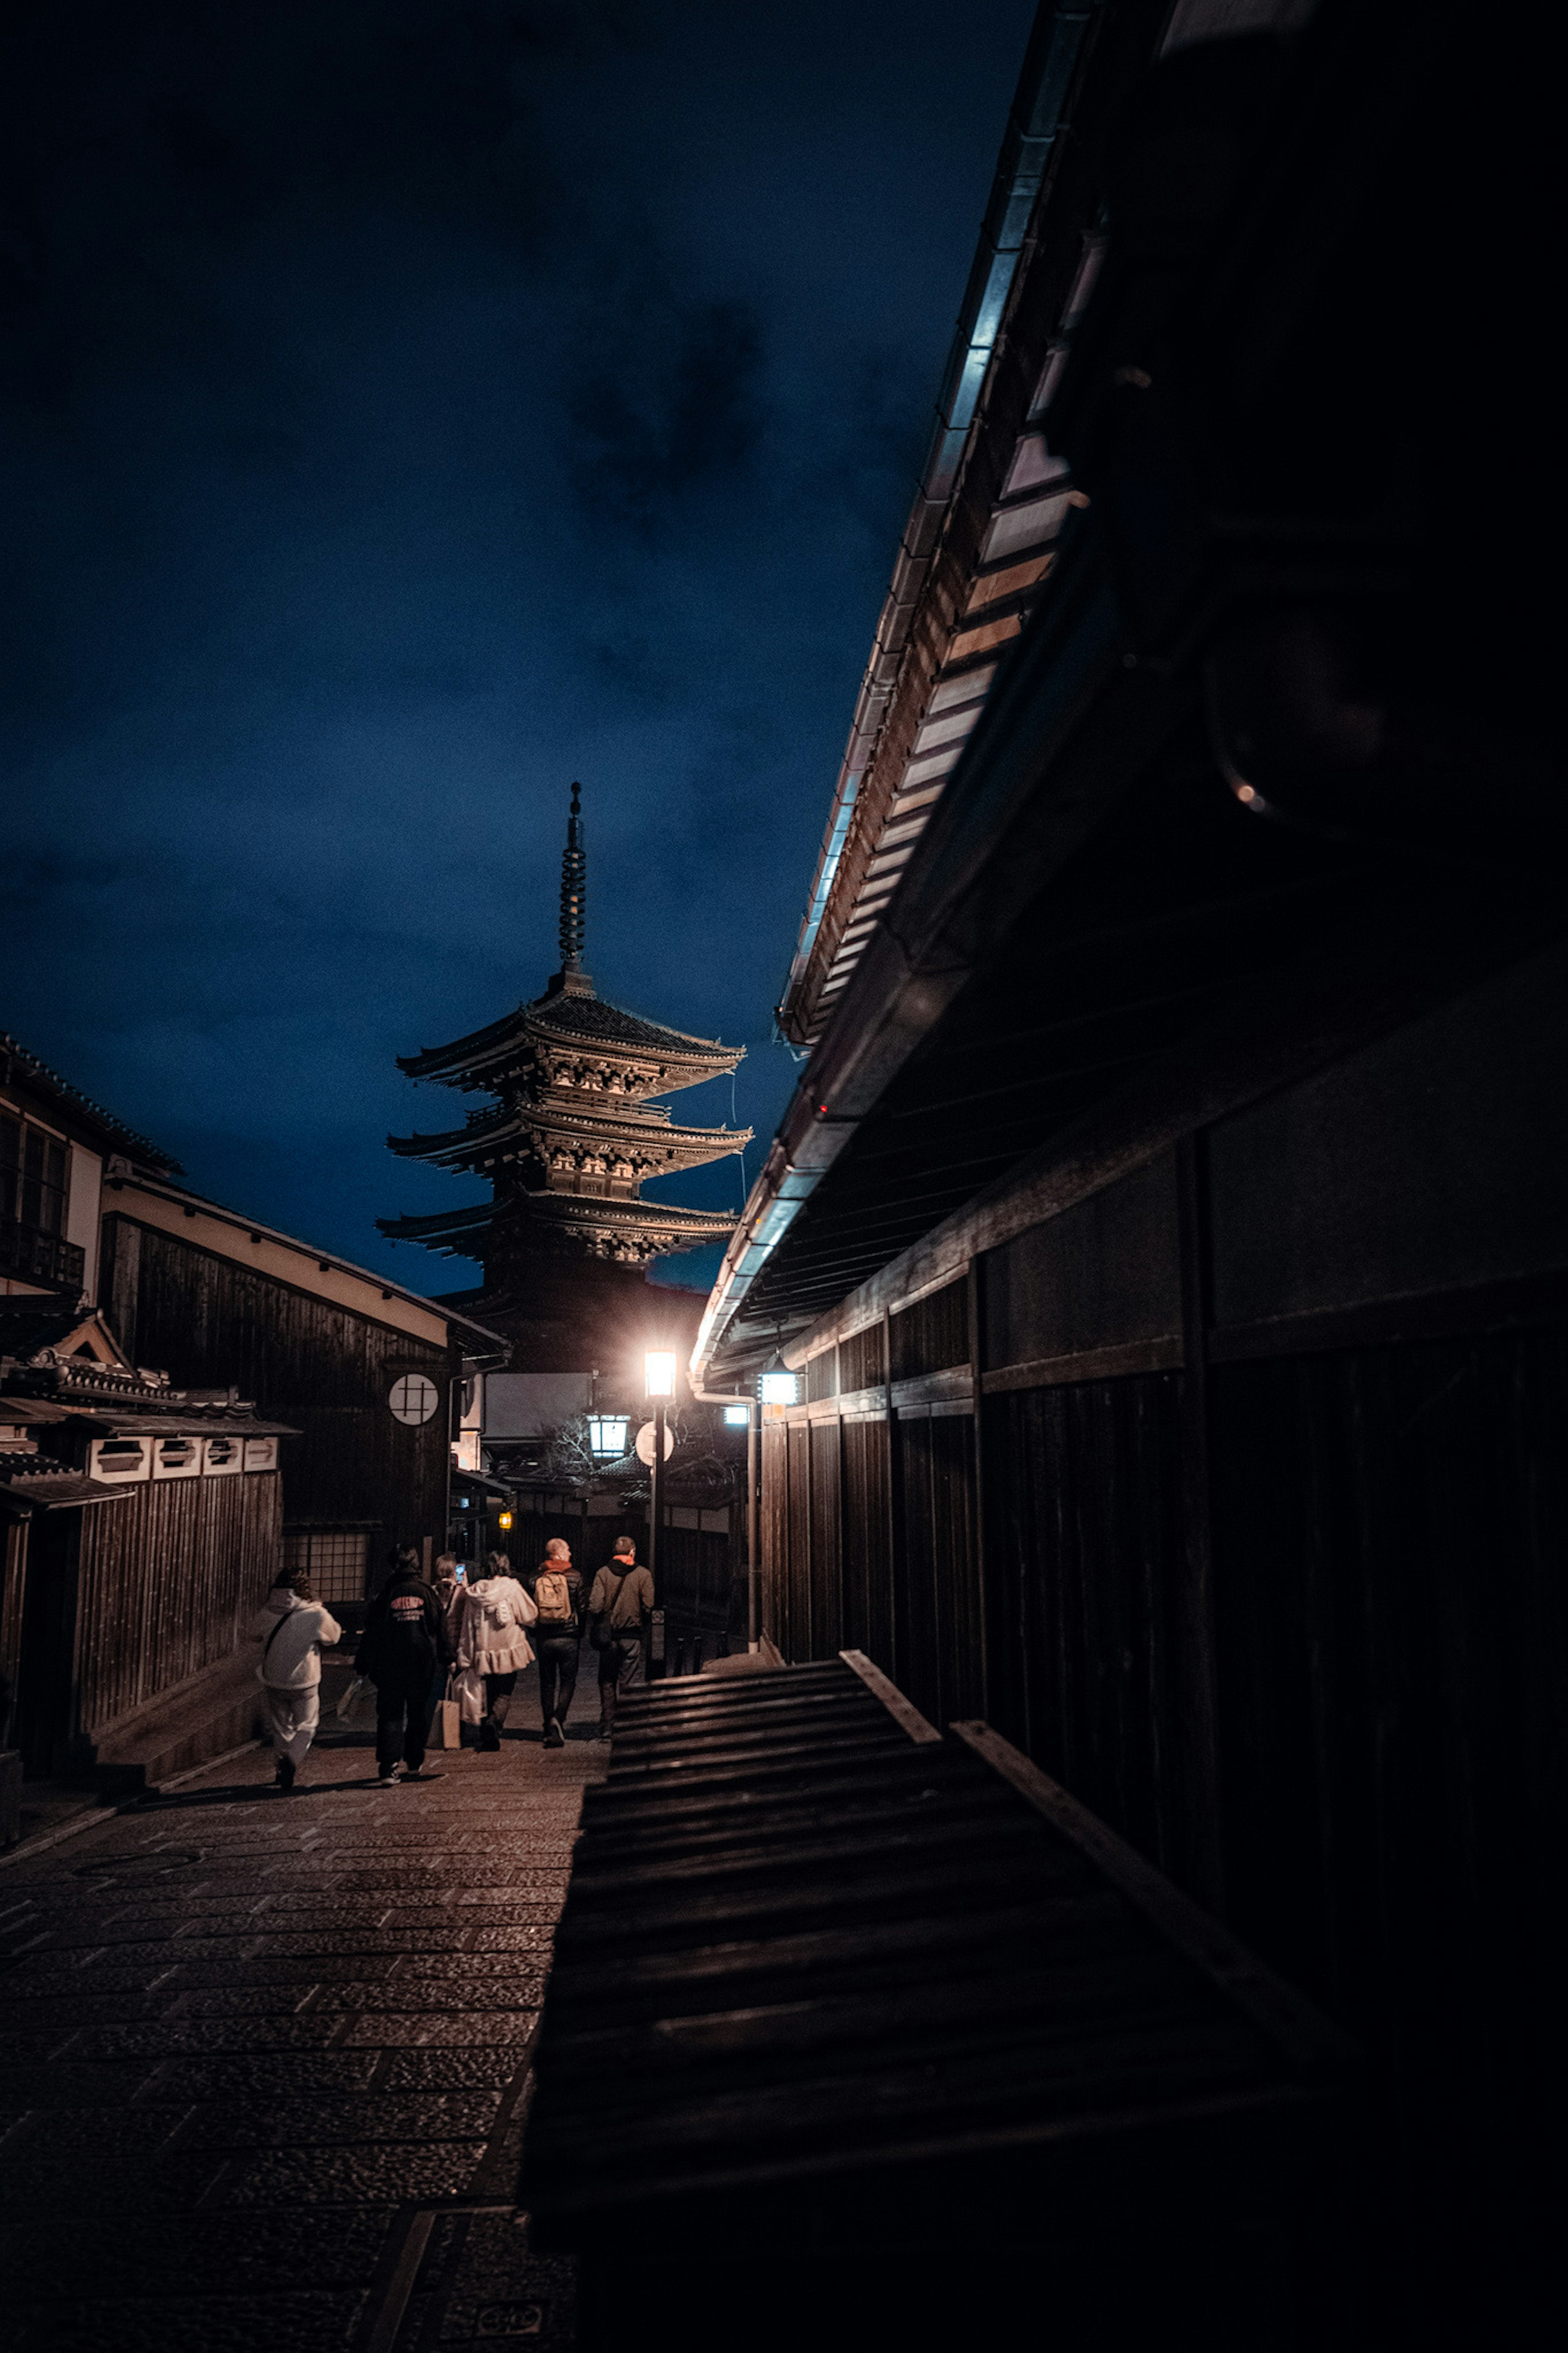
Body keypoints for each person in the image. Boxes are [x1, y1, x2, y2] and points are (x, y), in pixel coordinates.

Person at [356, 1545, 452, 1786]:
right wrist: (447, 1657)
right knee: (418, 1713)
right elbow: (440, 1627)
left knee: (390, 1714)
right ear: (416, 1564)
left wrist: (363, 1662)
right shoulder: (426, 1593)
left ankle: (389, 1766)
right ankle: (414, 1760)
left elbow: (372, 1632)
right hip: (421, 1663)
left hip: (390, 1664)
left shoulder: (386, 1594)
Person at [250, 1566, 343, 1792]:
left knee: (282, 1727)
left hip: (274, 1678)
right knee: (308, 1724)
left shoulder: (268, 1611)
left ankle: (281, 1766)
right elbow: (334, 1637)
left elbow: (253, 1634)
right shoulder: (315, 1613)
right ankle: (291, 1759)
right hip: (304, 1680)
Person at [451, 1550, 537, 1751]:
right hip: (509, 1648)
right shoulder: (512, 1587)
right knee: (505, 1691)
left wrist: (465, 1654)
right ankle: (494, 1724)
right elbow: (530, 1614)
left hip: (484, 1650)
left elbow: (467, 1626)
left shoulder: (476, 1591)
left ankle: (485, 1727)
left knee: (488, 1689)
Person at [588, 1535, 654, 1741]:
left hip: (609, 1637)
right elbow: (649, 1605)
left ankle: (608, 1725)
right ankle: (626, 1723)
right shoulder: (643, 1575)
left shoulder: (603, 1574)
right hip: (632, 1636)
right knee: (628, 1681)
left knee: (607, 1681)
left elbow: (595, 1606)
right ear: (632, 1552)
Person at [528, 1537, 585, 1749]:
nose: (570, 1554)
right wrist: (580, 1631)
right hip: (569, 1637)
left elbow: (531, 1607)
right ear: (559, 1553)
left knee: (547, 1683)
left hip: (545, 1637)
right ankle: (558, 1720)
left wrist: (535, 1631)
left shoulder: (537, 1577)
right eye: (568, 1550)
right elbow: (582, 1607)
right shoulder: (575, 1577)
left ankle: (547, 1725)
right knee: (568, 1681)